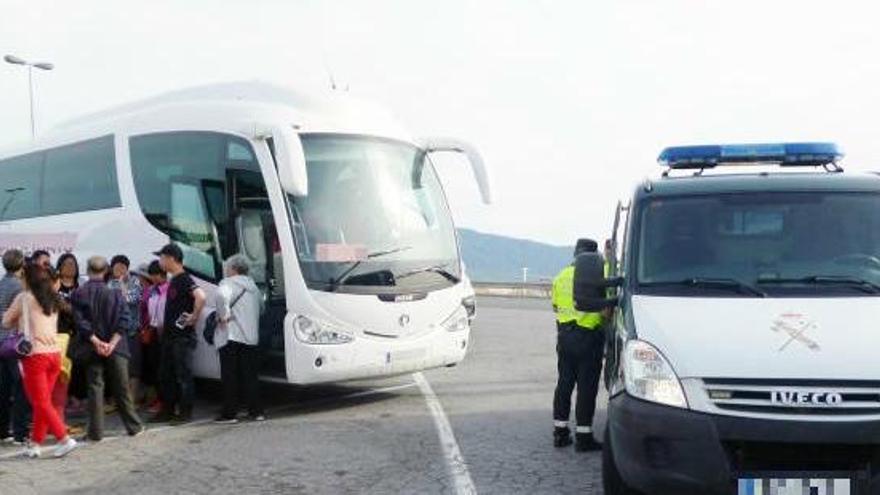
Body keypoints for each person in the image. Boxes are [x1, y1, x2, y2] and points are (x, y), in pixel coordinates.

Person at [2, 263, 77, 458]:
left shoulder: (24, 298)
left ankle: (64, 438)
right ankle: (35, 444)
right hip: (54, 354)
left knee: (40, 402)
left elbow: (6, 321)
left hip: (35, 356)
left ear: (27, 278)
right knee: (41, 402)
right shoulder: (52, 297)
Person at [71, 256, 145, 441]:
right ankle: (134, 426)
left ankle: (96, 432)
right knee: (122, 388)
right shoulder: (115, 293)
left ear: (87, 270)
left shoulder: (79, 293)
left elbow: (80, 323)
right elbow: (124, 320)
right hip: (116, 347)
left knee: (95, 388)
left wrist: (96, 341)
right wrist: (111, 343)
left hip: (91, 347)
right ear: (106, 271)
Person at [551, 238, 605, 452]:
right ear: (593, 256)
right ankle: (584, 436)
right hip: (588, 338)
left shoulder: (560, 276)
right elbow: (606, 310)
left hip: (564, 337)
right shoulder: (597, 275)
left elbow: (556, 306)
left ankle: (560, 433)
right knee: (586, 388)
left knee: (564, 384)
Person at [152, 244, 206, 424]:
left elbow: (201, 296)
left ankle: (185, 413)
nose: (160, 261)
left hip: (182, 337)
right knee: (165, 374)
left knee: (183, 375)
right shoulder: (173, 279)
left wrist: (194, 316)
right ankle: (167, 410)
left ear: (171, 259)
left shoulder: (184, 279)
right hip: (169, 336)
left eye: (162, 257)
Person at [214, 254, 265, 424]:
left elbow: (221, 296)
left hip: (231, 336)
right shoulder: (254, 287)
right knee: (251, 375)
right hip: (250, 337)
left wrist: (224, 315)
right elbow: (262, 308)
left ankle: (230, 414)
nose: (226, 270)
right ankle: (256, 412)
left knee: (230, 376)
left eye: (228, 267)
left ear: (233, 269)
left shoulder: (227, 283)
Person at [0, 249, 30, 445]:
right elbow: (20, 316)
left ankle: (2, 430)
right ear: (21, 264)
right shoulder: (20, 287)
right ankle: (20, 431)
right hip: (13, 343)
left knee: (3, 388)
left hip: (0, 341)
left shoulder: (1, 283)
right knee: (21, 386)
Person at [107, 255, 144, 404]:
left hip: (132, 331)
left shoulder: (135, 282)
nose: (119, 270)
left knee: (133, 367)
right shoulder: (110, 284)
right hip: (116, 334)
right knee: (119, 368)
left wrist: (122, 285)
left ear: (127, 268)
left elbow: (131, 299)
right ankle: (122, 399)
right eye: (116, 267)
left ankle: (132, 399)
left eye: (122, 267)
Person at [56, 253, 87, 417]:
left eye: (73, 264)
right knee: (61, 367)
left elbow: (84, 308)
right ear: (59, 267)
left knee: (78, 367)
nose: (70, 267)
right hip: (59, 334)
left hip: (78, 332)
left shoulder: (80, 286)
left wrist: (68, 308)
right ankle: (64, 398)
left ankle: (78, 398)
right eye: (67, 264)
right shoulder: (55, 286)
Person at [143, 260, 168, 413]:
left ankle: (165, 400)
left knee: (164, 369)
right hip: (152, 332)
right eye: (151, 275)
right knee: (155, 368)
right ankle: (159, 398)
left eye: (155, 275)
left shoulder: (169, 288)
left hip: (165, 333)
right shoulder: (151, 290)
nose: (153, 278)